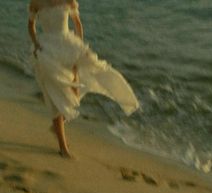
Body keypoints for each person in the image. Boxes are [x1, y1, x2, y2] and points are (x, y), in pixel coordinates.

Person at [28, 0, 139, 158]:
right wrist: (36, 44)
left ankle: (60, 123)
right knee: (55, 97)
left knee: (75, 92)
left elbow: (77, 24)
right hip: (48, 50)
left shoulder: (69, 1)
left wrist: (79, 46)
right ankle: (63, 147)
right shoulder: (36, 2)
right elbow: (30, 25)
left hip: (69, 45)